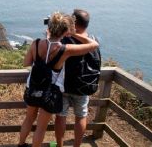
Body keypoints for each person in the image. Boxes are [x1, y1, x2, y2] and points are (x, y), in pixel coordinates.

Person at [18, 12, 99, 147]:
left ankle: (21, 144)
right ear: (64, 30)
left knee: (28, 119)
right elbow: (94, 44)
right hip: (49, 93)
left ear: (50, 27)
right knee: (41, 128)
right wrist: (72, 33)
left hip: (32, 88)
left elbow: (26, 63)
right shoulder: (65, 49)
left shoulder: (36, 43)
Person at [54, 9, 101, 147]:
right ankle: (77, 145)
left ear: (74, 22)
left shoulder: (65, 38)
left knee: (61, 116)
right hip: (84, 86)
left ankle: (59, 145)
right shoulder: (93, 39)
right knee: (81, 116)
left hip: (64, 85)